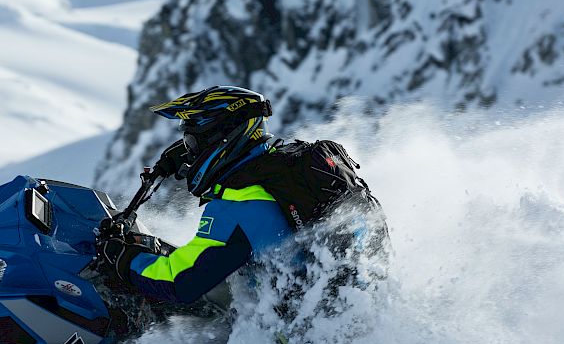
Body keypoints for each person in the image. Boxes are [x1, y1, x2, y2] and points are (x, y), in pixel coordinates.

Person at [97, 85, 385, 305]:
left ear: (221, 138)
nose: (188, 153)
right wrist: (180, 155)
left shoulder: (239, 205)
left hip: (294, 341)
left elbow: (179, 282)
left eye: (192, 142)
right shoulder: (284, 166)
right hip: (341, 304)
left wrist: (124, 256)